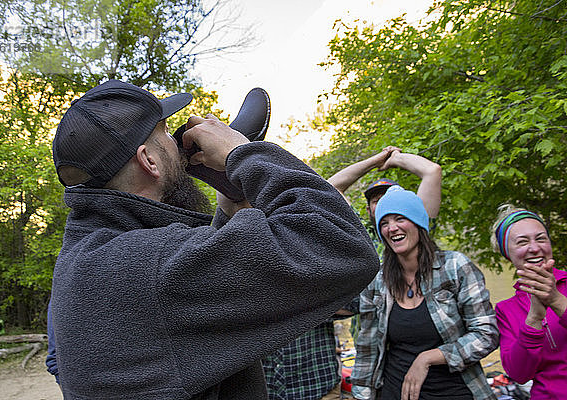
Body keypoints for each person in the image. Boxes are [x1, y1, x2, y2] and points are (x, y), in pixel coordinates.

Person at [49, 79, 379, 399]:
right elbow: (339, 246)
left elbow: (183, 308)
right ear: (149, 160)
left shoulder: (87, 259)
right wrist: (243, 153)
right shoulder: (150, 268)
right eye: (165, 134)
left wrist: (232, 203)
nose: (178, 145)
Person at [261, 148, 442, 400]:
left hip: (428, 355)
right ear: (368, 208)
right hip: (377, 359)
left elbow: (432, 172)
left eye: (391, 200)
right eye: (376, 200)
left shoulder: (413, 240)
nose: (383, 206)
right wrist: (373, 161)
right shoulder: (355, 241)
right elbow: (327, 190)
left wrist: (397, 159)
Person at [351, 186, 498, 400]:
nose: (392, 228)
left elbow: (486, 334)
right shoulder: (377, 280)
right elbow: (368, 347)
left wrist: (429, 358)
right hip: (393, 390)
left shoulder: (455, 267)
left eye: (400, 219)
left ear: (418, 222)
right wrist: (361, 395)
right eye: (384, 223)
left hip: (455, 391)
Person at [491, 205, 567, 399]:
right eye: (522, 242)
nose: (534, 248)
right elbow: (519, 374)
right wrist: (533, 319)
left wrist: (556, 300)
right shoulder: (505, 310)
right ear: (507, 252)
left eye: (541, 238)